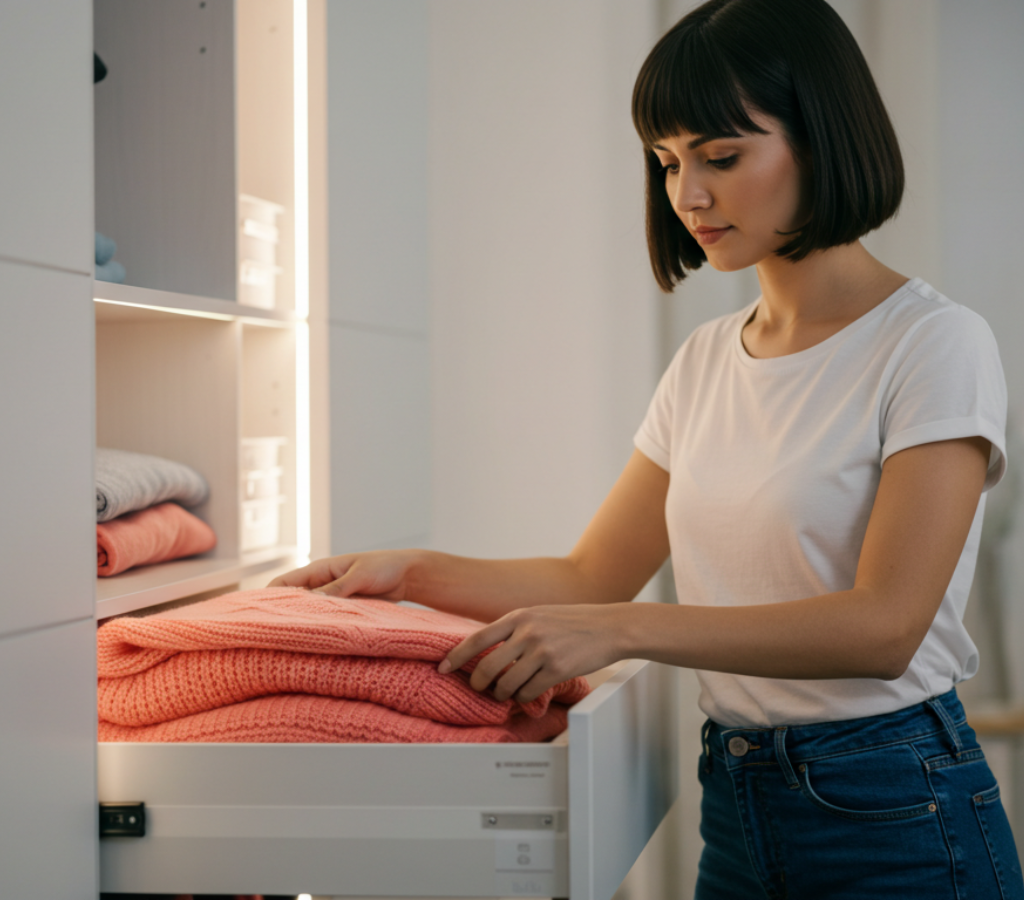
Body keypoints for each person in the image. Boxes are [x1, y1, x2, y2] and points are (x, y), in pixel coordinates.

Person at [273, 0, 1024, 895]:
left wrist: (621, 634)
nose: (687, 195)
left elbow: (886, 626)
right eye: (667, 161)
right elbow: (591, 577)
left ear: (822, 138)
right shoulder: (707, 359)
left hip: (896, 807)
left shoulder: (933, 343)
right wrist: (411, 574)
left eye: (721, 155)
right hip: (739, 802)